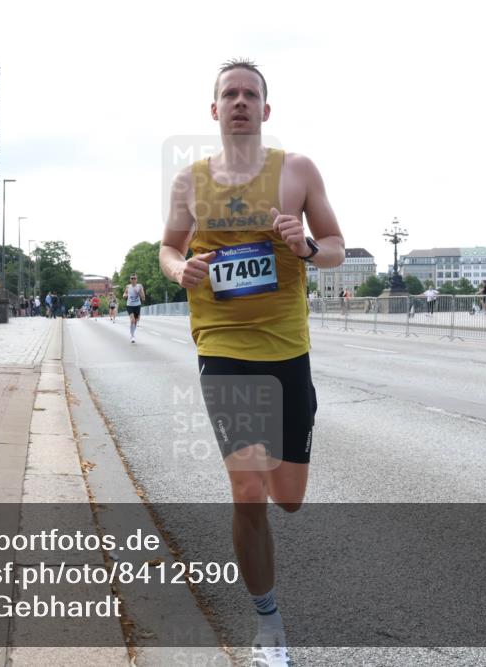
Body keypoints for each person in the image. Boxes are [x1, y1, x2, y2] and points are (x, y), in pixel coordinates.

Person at [159, 59, 344, 666]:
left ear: (266, 109)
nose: (240, 102)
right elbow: (168, 246)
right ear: (214, 110)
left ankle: (272, 478)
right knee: (247, 492)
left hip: (287, 349)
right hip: (222, 348)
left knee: (287, 497)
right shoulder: (190, 182)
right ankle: (268, 624)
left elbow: (337, 249)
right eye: (229, 94)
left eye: (251, 94)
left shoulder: (297, 171)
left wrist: (306, 245)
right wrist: (178, 268)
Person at [124, 274, 146, 342]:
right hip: (129, 305)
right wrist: (125, 295)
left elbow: (143, 298)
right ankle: (132, 336)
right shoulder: (128, 286)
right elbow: (124, 294)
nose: (133, 280)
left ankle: (132, 333)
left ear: (137, 279)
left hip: (137, 305)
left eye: (134, 278)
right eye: (132, 278)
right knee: (132, 320)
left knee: (136, 321)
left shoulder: (139, 286)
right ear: (130, 280)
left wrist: (139, 292)